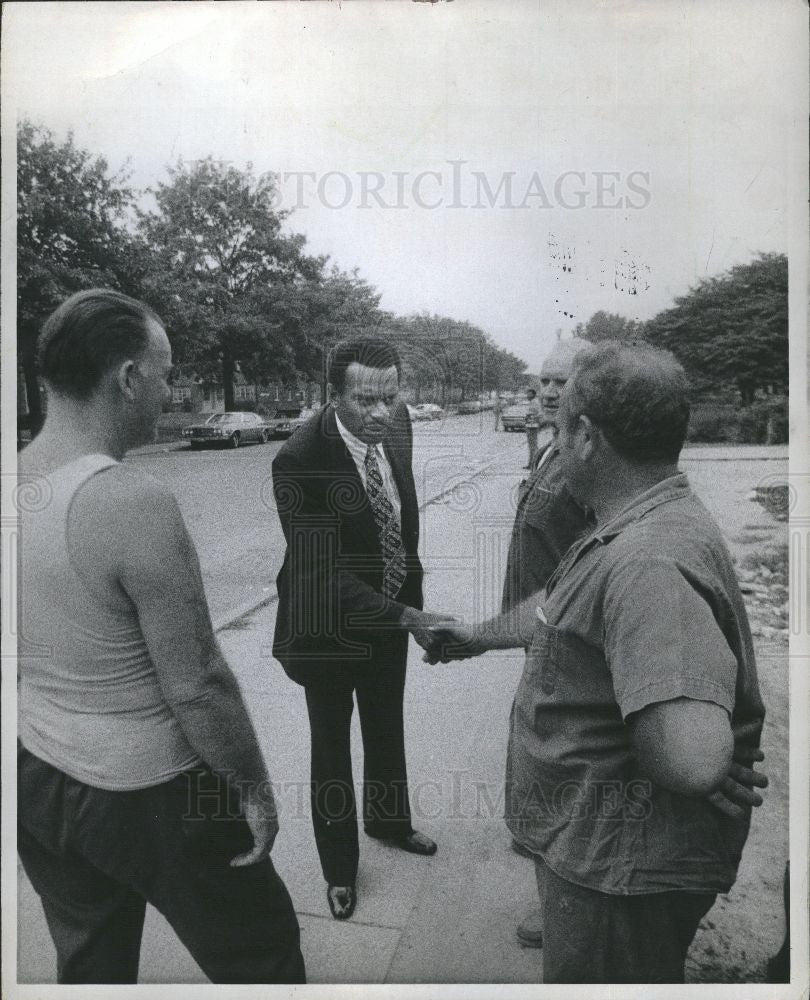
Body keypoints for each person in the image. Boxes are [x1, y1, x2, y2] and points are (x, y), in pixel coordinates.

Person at [425, 341, 767, 983]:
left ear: (585, 435)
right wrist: (476, 636)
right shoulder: (630, 524)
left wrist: (700, 757)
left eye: (561, 422)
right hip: (600, 854)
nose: (551, 432)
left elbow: (690, 755)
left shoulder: (647, 562)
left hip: (620, 868)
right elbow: (559, 608)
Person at [17, 289, 305, 985]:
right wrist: (254, 790)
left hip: (37, 771)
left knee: (90, 959)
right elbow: (198, 681)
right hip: (152, 792)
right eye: (168, 372)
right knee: (261, 949)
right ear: (127, 378)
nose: (172, 388)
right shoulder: (129, 500)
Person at [271, 336, 449, 921]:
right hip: (327, 628)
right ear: (333, 394)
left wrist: (407, 605)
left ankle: (390, 822)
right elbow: (321, 571)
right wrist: (411, 617)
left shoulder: (398, 429)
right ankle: (339, 870)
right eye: (365, 401)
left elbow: (400, 523)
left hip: (390, 615)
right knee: (332, 748)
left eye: (390, 399)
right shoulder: (299, 459)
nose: (380, 414)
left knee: (385, 723)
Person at [500, 338, 594, 948]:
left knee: (556, 773)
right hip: (536, 630)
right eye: (543, 383)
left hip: (565, 637)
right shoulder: (552, 449)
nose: (550, 393)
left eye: (564, 382)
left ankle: (561, 911)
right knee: (540, 766)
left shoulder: (587, 462)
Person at [523, 388, 541, 468]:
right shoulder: (532, 402)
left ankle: (533, 464)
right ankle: (531, 463)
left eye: (529, 394)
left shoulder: (536, 402)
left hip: (532, 426)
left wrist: (531, 417)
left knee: (533, 447)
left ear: (533, 394)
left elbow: (540, 414)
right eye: (527, 394)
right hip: (530, 426)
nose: (527, 396)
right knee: (531, 447)